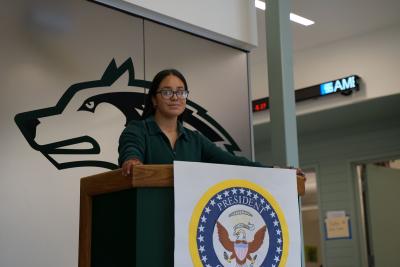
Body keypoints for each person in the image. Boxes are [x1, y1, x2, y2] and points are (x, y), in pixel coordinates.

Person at [118, 69, 305, 179]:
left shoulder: (195, 140)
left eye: (181, 92)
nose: (175, 97)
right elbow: (131, 151)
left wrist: (278, 173)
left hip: (187, 223)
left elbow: (234, 163)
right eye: (167, 92)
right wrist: (132, 161)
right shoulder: (138, 130)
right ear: (154, 100)